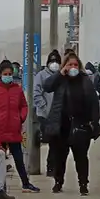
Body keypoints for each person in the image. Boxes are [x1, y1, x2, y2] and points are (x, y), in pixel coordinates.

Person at [43, 52, 100, 195]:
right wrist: (60, 74)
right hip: (61, 125)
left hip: (80, 125)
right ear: (64, 66)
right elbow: (47, 86)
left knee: (81, 157)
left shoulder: (85, 80)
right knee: (60, 157)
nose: (73, 67)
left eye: (75, 65)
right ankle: (58, 182)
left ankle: (83, 184)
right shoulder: (60, 79)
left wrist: (94, 123)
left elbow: (93, 102)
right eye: (70, 65)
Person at [0, 60, 39, 192]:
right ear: (0, 74)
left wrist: (21, 117)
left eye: (10, 73)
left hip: (14, 130)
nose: (8, 76)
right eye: (5, 73)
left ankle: (25, 183)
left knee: (18, 159)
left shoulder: (17, 89)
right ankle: (0, 187)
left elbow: (23, 105)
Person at [33, 49, 61, 177]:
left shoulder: (62, 75)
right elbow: (36, 94)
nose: (54, 64)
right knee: (52, 141)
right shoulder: (41, 75)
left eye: (57, 61)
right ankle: (51, 167)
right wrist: (45, 108)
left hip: (58, 115)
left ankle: (54, 167)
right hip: (45, 115)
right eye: (52, 61)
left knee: (57, 143)